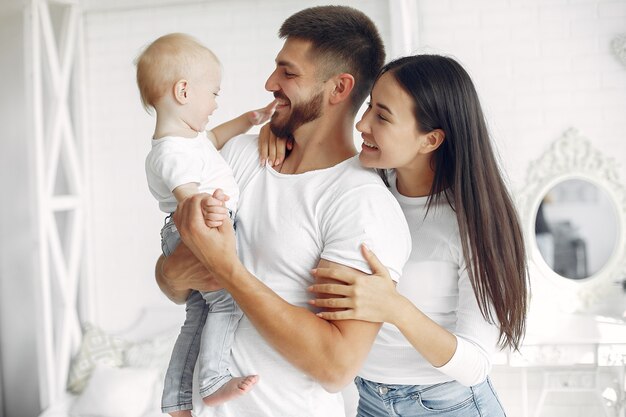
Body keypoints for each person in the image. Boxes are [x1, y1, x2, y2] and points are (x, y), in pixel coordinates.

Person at [155, 6, 412, 417]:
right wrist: (172, 272)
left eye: (288, 74)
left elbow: (336, 367)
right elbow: (173, 285)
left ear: (339, 88)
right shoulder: (238, 155)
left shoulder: (361, 204)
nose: (270, 83)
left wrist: (228, 269)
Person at [307, 55, 529, 416]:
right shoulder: (364, 186)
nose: (362, 124)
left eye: (382, 115)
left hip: (449, 405)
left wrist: (393, 307)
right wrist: (273, 136)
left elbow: (475, 365)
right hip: (370, 400)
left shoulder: (472, 223)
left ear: (430, 140)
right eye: (368, 107)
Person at [135, 33, 277, 416]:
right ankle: (213, 379)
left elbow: (213, 137)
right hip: (197, 228)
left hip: (191, 226)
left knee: (198, 313)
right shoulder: (171, 154)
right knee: (230, 302)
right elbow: (190, 202)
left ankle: (177, 399)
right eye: (213, 93)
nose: (216, 104)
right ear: (184, 91)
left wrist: (247, 121)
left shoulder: (186, 140)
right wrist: (212, 214)